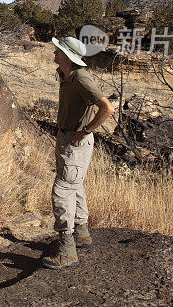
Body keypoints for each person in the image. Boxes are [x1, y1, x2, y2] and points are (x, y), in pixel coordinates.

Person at [41, 36, 114, 270]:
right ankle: (81, 234)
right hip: (67, 140)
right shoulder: (66, 75)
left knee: (62, 191)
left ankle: (67, 251)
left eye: (58, 50)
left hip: (76, 142)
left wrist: (85, 131)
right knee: (75, 186)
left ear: (68, 56)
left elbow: (107, 108)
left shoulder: (81, 78)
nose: (54, 53)